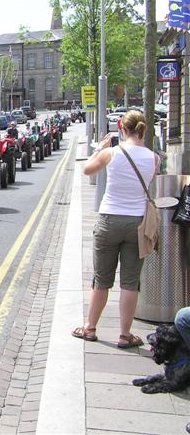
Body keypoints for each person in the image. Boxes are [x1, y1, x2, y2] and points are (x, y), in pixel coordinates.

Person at [72, 110, 159, 348]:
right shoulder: (154, 158)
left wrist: (100, 148)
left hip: (109, 220)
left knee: (101, 280)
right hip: (137, 224)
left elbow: (87, 169)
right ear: (143, 129)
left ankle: (90, 328)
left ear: (122, 128)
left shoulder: (112, 153)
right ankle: (124, 335)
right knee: (130, 282)